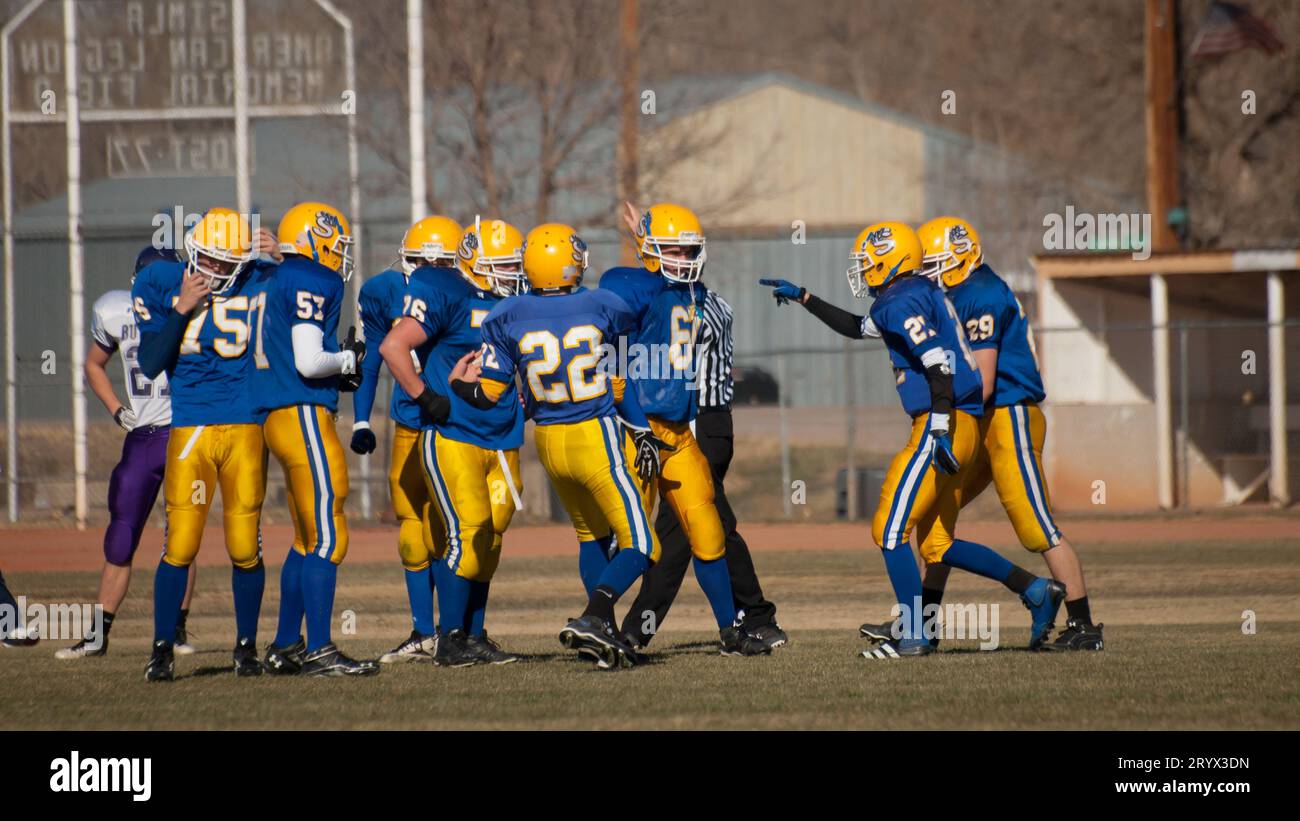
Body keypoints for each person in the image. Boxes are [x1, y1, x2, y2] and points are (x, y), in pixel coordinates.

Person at [761, 221, 1065, 658]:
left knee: (888, 529)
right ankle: (1034, 589)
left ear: (891, 260)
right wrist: (806, 298)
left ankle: (915, 635)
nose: (863, 271)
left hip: (941, 423)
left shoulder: (902, 300)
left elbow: (938, 362)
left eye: (868, 263)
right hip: (961, 424)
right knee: (936, 544)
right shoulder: (916, 293)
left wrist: (938, 423)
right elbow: (858, 327)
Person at [861, 217, 1101, 650]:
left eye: (935, 263)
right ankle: (922, 625)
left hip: (1006, 415)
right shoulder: (951, 294)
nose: (929, 272)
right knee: (935, 529)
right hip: (974, 420)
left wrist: (941, 412)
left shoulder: (981, 294)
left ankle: (1083, 626)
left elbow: (984, 382)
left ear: (960, 256)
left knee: (1035, 526)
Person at [447, 223, 664, 669]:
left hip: (548, 441)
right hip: (594, 435)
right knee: (642, 544)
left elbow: (488, 394)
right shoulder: (603, 304)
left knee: (590, 535)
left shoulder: (505, 315)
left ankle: (599, 633)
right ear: (569, 263)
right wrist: (640, 428)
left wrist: (455, 384)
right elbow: (622, 375)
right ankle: (596, 615)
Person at [599, 203, 769, 656]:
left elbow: (664, 290)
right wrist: (644, 249)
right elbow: (617, 319)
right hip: (640, 428)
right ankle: (603, 620)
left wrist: (648, 245)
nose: (684, 257)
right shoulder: (642, 289)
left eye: (690, 249)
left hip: (686, 431)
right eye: (674, 249)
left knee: (709, 531)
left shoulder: (700, 299)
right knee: (636, 537)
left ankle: (732, 631)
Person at [379, 217, 527, 667]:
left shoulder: (517, 302)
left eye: (514, 264)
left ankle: (476, 635)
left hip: (503, 437)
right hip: (454, 433)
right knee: (468, 529)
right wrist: (427, 396)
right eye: (502, 265)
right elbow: (392, 347)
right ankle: (450, 637)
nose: (511, 273)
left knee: (491, 537)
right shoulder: (444, 290)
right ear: (476, 264)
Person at [134, 208, 269, 681]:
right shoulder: (159, 282)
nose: (211, 271)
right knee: (181, 544)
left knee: (243, 546)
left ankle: (247, 647)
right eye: (205, 261)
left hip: (245, 426)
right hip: (190, 428)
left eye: (222, 263)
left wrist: (280, 256)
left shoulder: (259, 276)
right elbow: (150, 363)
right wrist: (180, 309)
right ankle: (161, 647)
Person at [253, 201, 376, 677]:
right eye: (336, 243)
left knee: (306, 536)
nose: (341, 254)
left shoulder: (274, 276)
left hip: (274, 415)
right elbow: (309, 361)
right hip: (302, 411)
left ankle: (286, 645)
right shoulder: (311, 278)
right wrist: (347, 362)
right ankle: (321, 649)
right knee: (328, 531)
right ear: (314, 239)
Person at [57, 245, 195, 660]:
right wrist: (117, 410)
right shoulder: (116, 311)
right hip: (142, 435)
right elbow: (93, 364)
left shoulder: (194, 313)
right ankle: (98, 635)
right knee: (120, 537)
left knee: (181, 537)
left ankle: (176, 631)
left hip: (184, 432)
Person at [353, 216, 459, 664]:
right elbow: (374, 360)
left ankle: (461, 630)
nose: (431, 269)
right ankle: (423, 630)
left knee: (459, 527)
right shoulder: (382, 290)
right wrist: (361, 420)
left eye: (441, 261)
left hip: (458, 424)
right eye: (421, 261)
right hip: (411, 422)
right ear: (404, 258)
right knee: (413, 524)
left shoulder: (465, 289)